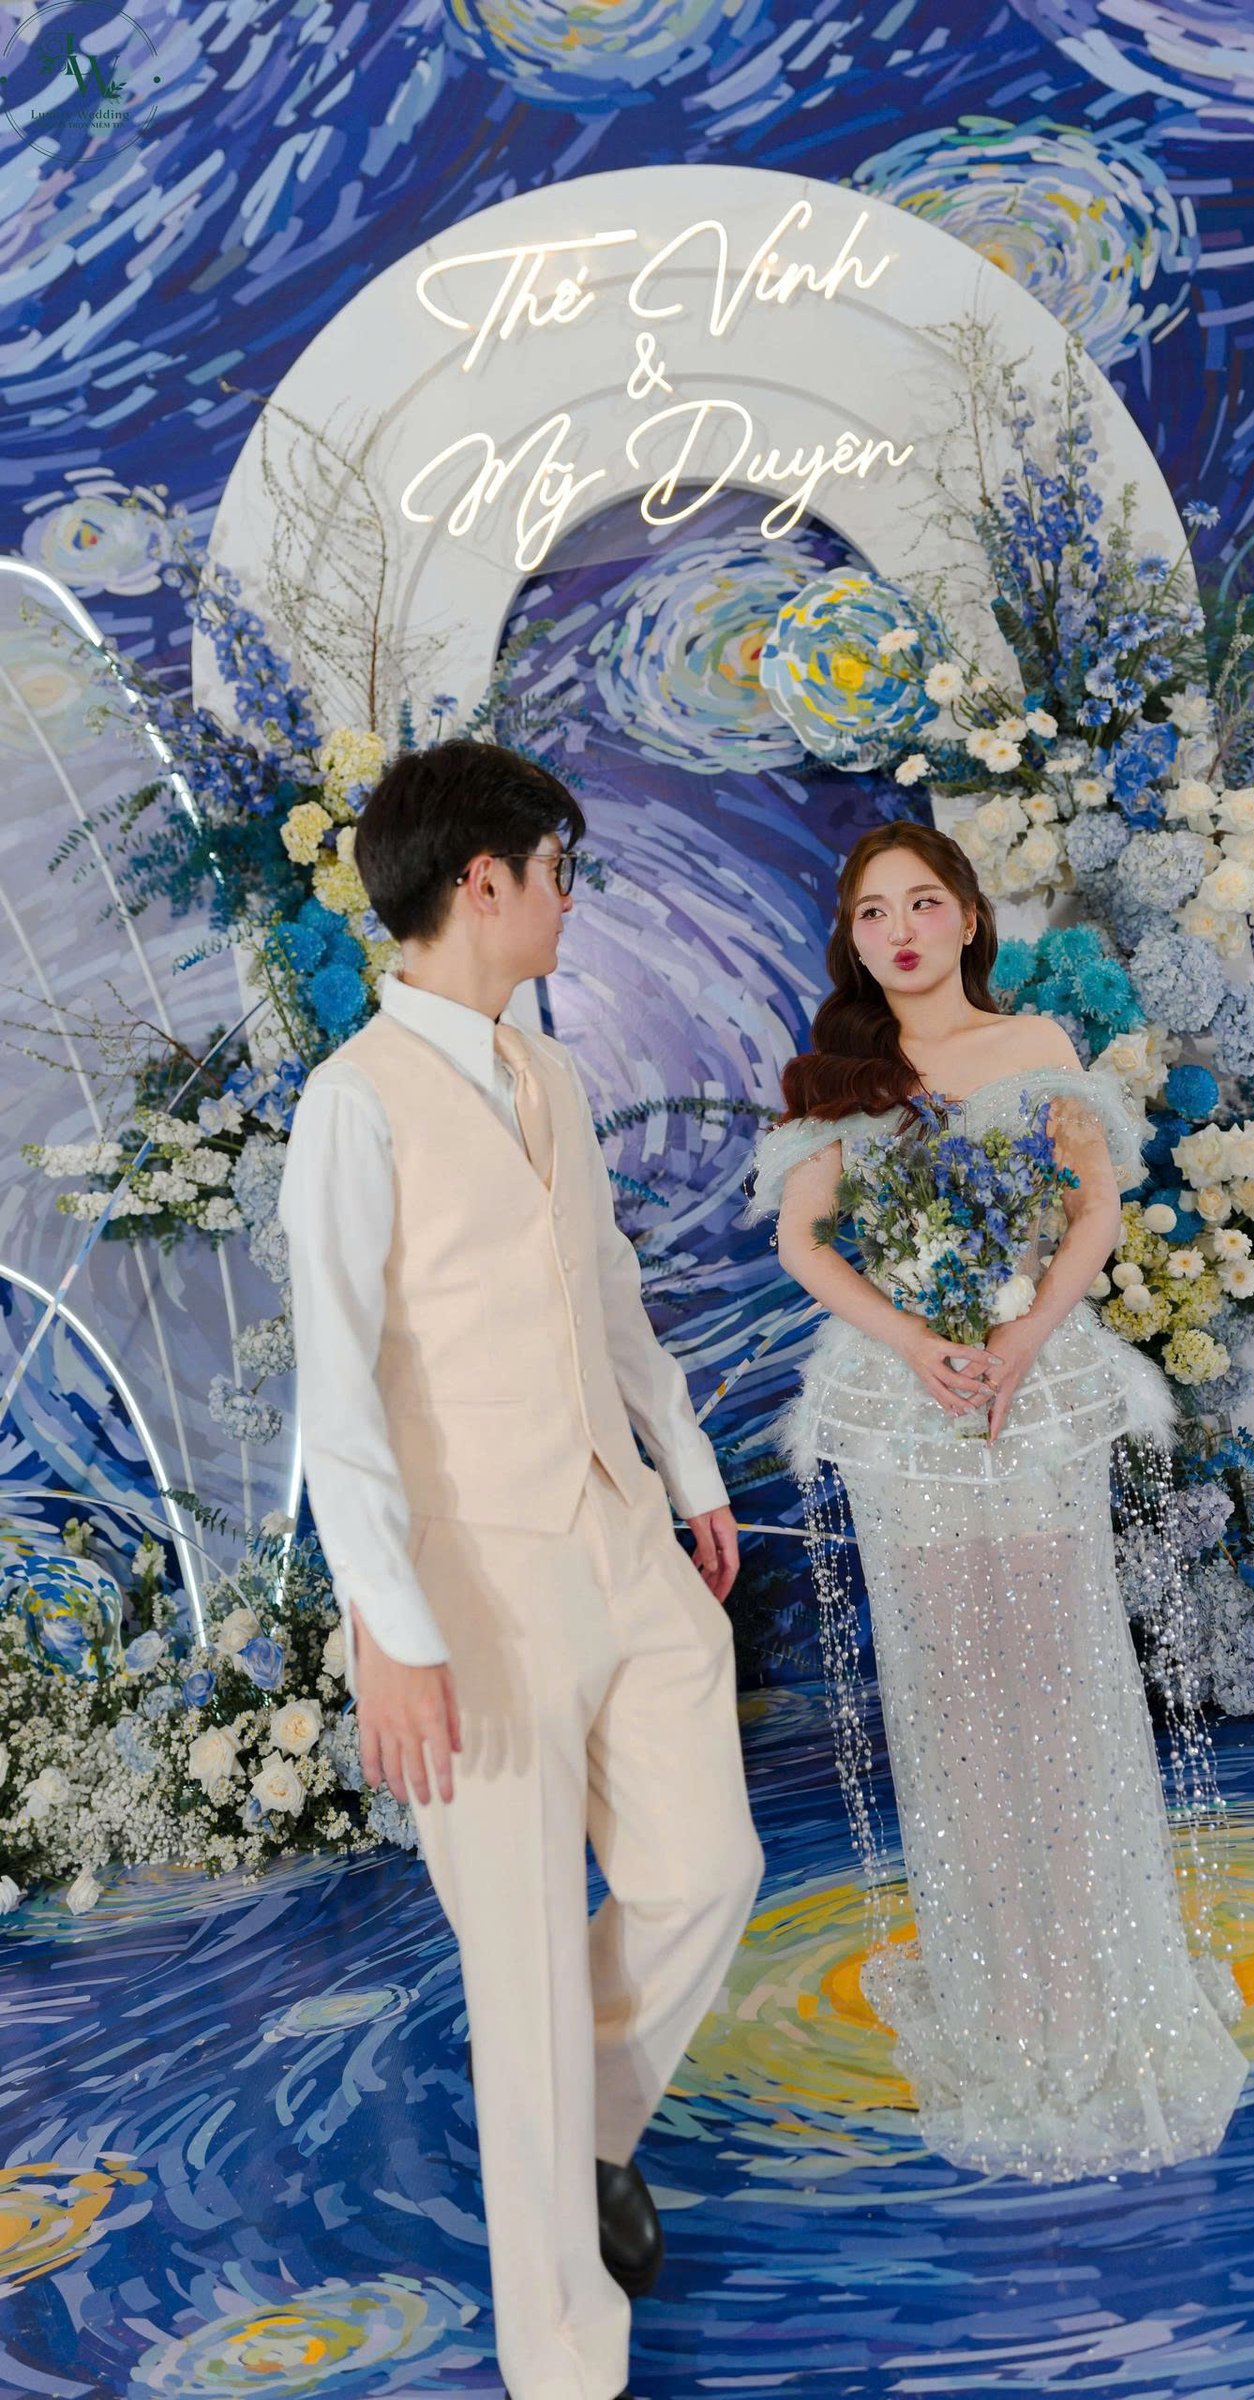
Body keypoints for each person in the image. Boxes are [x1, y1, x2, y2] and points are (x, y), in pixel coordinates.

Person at [279, 738, 764, 2400]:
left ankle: (587, 2124)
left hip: (618, 1535)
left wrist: (688, 1470)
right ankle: (567, 2365)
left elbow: (605, 1288)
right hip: (471, 1584)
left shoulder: (544, 1070)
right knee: (526, 1967)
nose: (571, 897)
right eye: (560, 869)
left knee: (707, 1871)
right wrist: (392, 1632)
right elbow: (337, 1397)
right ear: (481, 881)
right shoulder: (353, 1107)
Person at [745, 820, 1247, 2184]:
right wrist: (916, 1342)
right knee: (953, 1705)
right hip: (909, 1408)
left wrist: (1024, 1339)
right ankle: (1003, 2003)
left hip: (1033, 1392)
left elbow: (1093, 1213)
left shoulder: (1031, 1047)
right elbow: (802, 1240)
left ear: (967, 917)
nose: (900, 931)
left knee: (1061, 1688)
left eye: (922, 903)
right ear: (853, 940)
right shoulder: (838, 1074)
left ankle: (1092, 1992)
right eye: (872, 914)